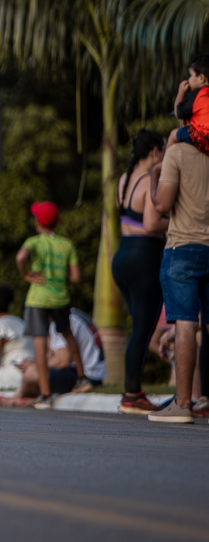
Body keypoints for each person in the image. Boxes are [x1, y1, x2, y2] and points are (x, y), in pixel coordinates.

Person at [147, 126, 209, 423]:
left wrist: (154, 176)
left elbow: (161, 204)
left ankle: (183, 403)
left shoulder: (178, 154)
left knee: (185, 322)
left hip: (183, 247)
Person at [112, 129, 169, 414]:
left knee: (139, 327)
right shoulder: (149, 180)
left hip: (122, 254)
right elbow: (150, 223)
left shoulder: (125, 179)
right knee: (142, 331)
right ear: (155, 152)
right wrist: (182, 222)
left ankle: (132, 391)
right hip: (144, 256)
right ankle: (132, 393)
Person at [16, 201, 92, 407]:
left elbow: (21, 257)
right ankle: (82, 377)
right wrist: (59, 277)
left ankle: (45, 393)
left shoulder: (34, 241)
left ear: (37, 222)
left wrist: (26, 274)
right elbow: (75, 277)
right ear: (57, 223)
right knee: (68, 334)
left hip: (38, 298)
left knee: (40, 343)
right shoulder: (66, 244)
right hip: (60, 298)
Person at [12, 308, 106, 401]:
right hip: (91, 374)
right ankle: (21, 396)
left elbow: (63, 361)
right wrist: (34, 362)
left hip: (89, 378)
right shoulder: (67, 314)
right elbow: (54, 353)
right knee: (33, 369)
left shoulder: (62, 321)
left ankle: (20, 398)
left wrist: (34, 366)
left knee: (32, 373)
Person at [167, 54, 209, 154]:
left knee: (173, 134)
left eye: (191, 75)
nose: (189, 79)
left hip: (203, 138)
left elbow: (177, 113)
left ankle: (165, 161)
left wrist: (180, 92)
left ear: (201, 78)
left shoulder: (197, 95)